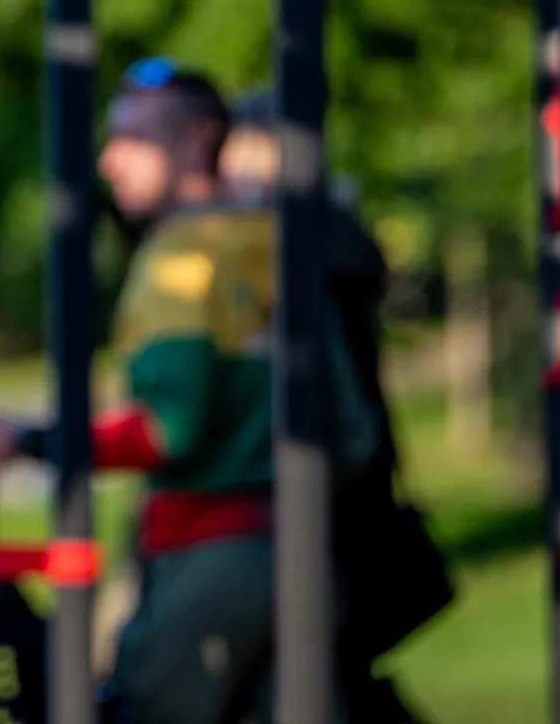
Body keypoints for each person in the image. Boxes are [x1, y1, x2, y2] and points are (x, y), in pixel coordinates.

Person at [0, 65, 371, 724]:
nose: (109, 161)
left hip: (210, 563)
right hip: (309, 552)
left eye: (133, 138)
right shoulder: (275, 241)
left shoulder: (180, 262)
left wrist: (25, 440)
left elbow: (166, 431)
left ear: (199, 142)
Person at [218, 94, 444, 724]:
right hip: (348, 502)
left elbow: (345, 418)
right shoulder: (330, 241)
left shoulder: (301, 255)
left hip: (329, 512)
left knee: (325, 682)